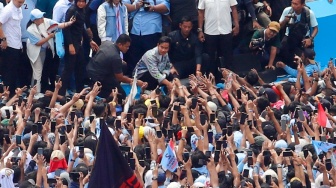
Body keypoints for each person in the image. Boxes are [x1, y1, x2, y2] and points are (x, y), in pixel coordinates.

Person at [26, 9, 75, 96]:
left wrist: (69, 23)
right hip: (34, 51)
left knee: (38, 71)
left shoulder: (47, 21)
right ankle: (36, 93)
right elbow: (38, 43)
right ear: (34, 20)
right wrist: (50, 37)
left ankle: (33, 90)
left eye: (42, 16)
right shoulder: (30, 29)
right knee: (38, 70)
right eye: (39, 18)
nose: (42, 18)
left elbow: (59, 25)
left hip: (44, 50)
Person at [87, 34, 147, 101]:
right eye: (126, 46)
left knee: (123, 65)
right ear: (120, 44)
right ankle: (105, 94)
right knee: (121, 95)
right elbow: (120, 77)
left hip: (92, 67)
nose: (128, 48)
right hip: (99, 76)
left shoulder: (107, 43)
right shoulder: (116, 57)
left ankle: (112, 85)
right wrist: (134, 81)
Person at [59, 0, 99, 96]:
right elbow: (66, 28)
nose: (81, 4)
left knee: (80, 68)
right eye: (79, 1)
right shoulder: (72, 10)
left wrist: (89, 40)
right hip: (72, 43)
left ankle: (79, 92)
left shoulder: (82, 11)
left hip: (78, 43)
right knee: (68, 69)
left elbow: (81, 28)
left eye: (83, 2)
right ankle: (60, 93)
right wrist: (70, 44)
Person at [122, 0, 170, 76]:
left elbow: (166, 7)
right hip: (135, 31)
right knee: (134, 60)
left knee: (153, 59)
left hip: (152, 31)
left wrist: (153, 7)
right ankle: (134, 81)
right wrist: (135, 5)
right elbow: (122, 5)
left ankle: (154, 80)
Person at [197, 0, 239, 80]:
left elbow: (234, 9)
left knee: (228, 59)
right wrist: (200, 30)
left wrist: (237, 25)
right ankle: (211, 82)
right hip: (210, 31)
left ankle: (230, 82)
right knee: (210, 59)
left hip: (226, 30)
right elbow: (201, 12)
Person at [278, 0, 318, 68]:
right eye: (292, 3)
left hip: (304, 38)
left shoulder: (309, 13)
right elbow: (279, 27)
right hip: (289, 37)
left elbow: (316, 29)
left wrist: (310, 39)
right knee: (282, 48)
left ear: (302, 5)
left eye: (296, 4)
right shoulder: (287, 10)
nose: (293, 5)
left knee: (308, 54)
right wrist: (285, 20)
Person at [0, 0, 25, 96]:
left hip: (17, 45)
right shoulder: (8, 10)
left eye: (22, 2)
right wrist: (3, 39)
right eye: (19, 2)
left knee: (14, 72)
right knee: (8, 74)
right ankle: (7, 97)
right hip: (9, 45)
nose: (21, 4)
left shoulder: (18, 9)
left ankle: (13, 96)